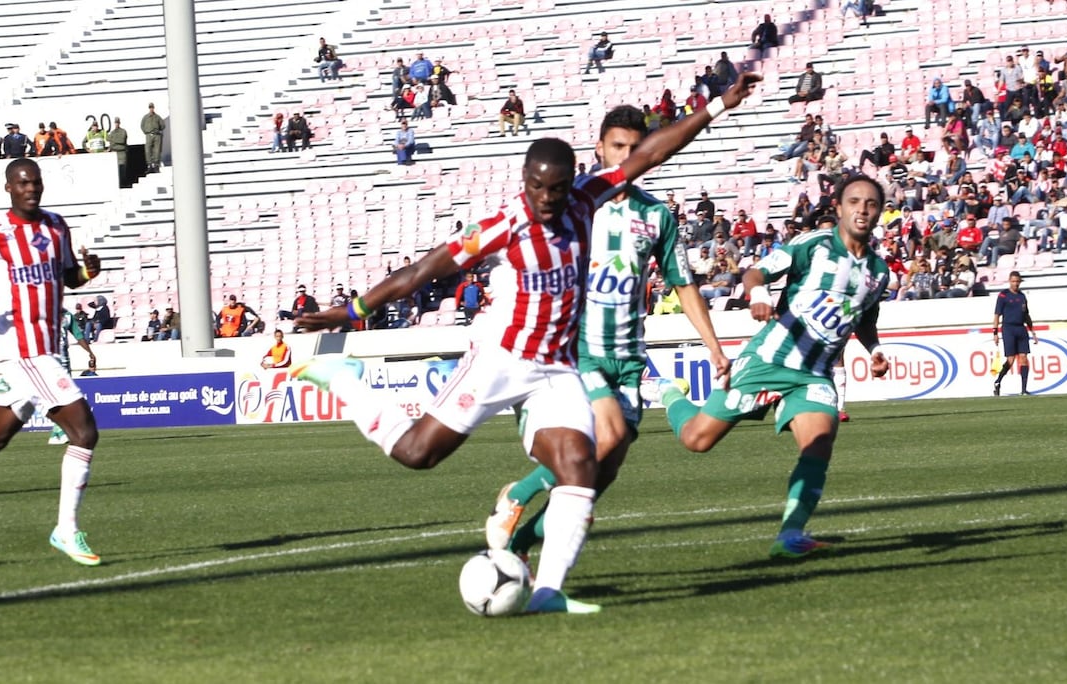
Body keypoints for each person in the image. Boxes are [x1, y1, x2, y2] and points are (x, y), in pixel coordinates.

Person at [288, 73, 762, 614]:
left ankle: (548, 592)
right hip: (502, 359)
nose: (545, 198)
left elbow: (651, 154)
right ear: (524, 181)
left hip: (557, 368)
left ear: (569, 183)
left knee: (580, 465)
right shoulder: (503, 227)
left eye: (554, 188)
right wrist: (351, 312)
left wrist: (719, 105)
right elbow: (423, 270)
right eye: (535, 186)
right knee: (419, 454)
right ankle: (350, 385)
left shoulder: (587, 198)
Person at [484, 106, 731, 559]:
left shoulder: (656, 216)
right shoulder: (575, 202)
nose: (626, 156)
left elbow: (683, 283)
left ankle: (522, 542)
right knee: (608, 435)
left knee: (600, 477)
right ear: (598, 149)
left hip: (628, 357)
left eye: (635, 149)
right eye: (617, 147)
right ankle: (518, 495)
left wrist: (713, 346)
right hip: (578, 349)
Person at [645, 174, 891, 560]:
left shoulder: (879, 271)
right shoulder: (812, 245)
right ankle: (668, 389)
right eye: (855, 202)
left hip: (815, 374)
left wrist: (874, 348)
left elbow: (865, 318)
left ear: (880, 212)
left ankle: (791, 534)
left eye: (872, 203)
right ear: (840, 208)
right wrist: (758, 294)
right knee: (697, 439)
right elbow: (755, 272)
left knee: (819, 444)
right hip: (770, 359)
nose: (863, 209)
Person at [0, 158, 104, 566]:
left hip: (46, 345)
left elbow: (68, 277)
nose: (31, 189)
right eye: (23, 183)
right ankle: (66, 530)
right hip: (24, 347)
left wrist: (87, 273)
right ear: (9, 189)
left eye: (36, 182)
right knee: (83, 433)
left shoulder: (56, 226)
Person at [50, 307, 97, 445]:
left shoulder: (68, 316)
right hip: (49, 360)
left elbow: (78, 334)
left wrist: (90, 352)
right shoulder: (44, 313)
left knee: (65, 395)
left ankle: (59, 432)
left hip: (64, 361)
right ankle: (60, 431)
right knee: (58, 395)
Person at [991, 271, 1037, 396]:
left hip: (1021, 329)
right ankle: (998, 381)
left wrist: (1032, 330)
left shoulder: (1022, 296)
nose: (1015, 284)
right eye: (1013, 281)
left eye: (1017, 281)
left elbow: (1026, 315)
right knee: (1010, 360)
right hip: (1008, 329)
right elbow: (997, 315)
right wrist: (995, 332)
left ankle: (1023, 389)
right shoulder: (1003, 295)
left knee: (1023, 358)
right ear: (1009, 281)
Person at [141, 103, 165, 172]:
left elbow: (163, 125)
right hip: (149, 135)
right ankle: (149, 165)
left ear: (154, 108)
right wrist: (146, 132)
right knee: (148, 150)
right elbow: (142, 125)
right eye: (150, 107)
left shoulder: (157, 117)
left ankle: (156, 165)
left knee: (157, 150)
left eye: (152, 107)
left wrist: (158, 130)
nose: (151, 109)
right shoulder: (145, 117)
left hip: (157, 135)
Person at [106, 117, 129, 188]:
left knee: (122, 170)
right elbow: (108, 140)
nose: (116, 124)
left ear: (119, 123)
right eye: (115, 122)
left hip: (121, 152)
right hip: (114, 153)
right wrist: (113, 142)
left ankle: (123, 183)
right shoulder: (112, 132)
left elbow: (121, 140)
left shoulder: (123, 131)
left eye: (117, 122)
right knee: (117, 170)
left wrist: (113, 140)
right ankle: (119, 184)